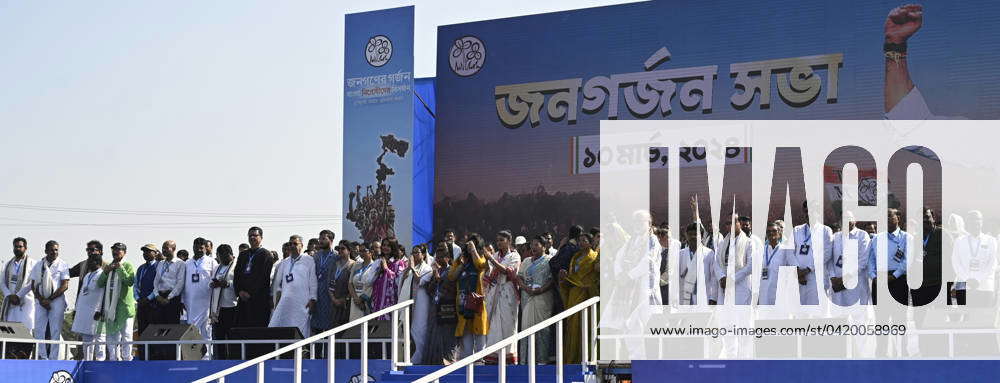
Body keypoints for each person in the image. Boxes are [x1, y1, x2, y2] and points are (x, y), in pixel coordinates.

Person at [868, 208, 913, 357]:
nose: (886, 219)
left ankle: (902, 352)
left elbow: (908, 260)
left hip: (898, 282)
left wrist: (894, 276)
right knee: (881, 321)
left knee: (900, 320)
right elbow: (871, 261)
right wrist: (874, 277)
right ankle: (881, 353)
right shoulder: (876, 239)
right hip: (879, 283)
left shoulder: (907, 238)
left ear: (898, 217)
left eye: (889, 215)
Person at [560, 233, 598, 364]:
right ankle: (571, 359)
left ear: (590, 242)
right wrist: (564, 278)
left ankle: (583, 358)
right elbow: (572, 277)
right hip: (573, 294)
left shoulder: (594, 257)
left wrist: (571, 279)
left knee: (583, 326)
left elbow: (591, 279)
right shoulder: (575, 257)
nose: (581, 243)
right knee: (572, 326)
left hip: (585, 296)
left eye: (584, 240)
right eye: (579, 241)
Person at [484, 230, 521, 364]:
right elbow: (488, 275)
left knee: (508, 326)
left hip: (508, 292)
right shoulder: (494, 255)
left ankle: (508, 358)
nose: (499, 242)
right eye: (498, 240)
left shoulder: (515, 256)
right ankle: (493, 357)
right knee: (494, 325)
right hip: (494, 292)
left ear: (509, 241)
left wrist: (491, 259)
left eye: (502, 240)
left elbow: (508, 272)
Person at [29, 240, 70, 360]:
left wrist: (50, 299)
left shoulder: (62, 264)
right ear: (46, 251)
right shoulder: (38, 265)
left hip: (56, 300)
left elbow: (65, 285)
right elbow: (33, 284)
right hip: (41, 301)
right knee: (39, 329)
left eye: (56, 249)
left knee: (55, 330)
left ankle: (53, 357)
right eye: (52, 250)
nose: (54, 252)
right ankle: (42, 356)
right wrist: (41, 299)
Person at [516, 236, 554, 364]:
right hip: (527, 297)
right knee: (526, 328)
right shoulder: (526, 261)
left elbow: (552, 280)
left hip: (542, 299)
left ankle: (542, 360)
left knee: (542, 329)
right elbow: (519, 277)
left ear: (544, 247)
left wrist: (540, 290)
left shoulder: (550, 261)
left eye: (537, 245)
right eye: (532, 245)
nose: (533, 247)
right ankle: (525, 361)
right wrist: (526, 288)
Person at [95, 242, 135, 361]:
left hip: (124, 308)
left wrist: (120, 268)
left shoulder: (127, 265)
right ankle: (113, 358)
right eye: (114, 250)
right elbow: (99, 283)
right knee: (111, 335)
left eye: (119, 250)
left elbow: (129, 281)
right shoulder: (109, 267)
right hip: (111, 308)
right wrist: (107, 271)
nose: (116, 252)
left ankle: (127, 358)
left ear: (124, 252)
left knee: (126, 335)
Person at [450, 234, 488, 359]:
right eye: (469, 244)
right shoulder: (460, 260)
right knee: (466, 339)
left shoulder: (481, 258)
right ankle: (466, 368)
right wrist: (461, 264)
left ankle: (480, 365)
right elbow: (451, 277)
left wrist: (473, 251)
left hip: (477, 305)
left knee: (479, 336)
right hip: (462, 304)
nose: (470, 246)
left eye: (474, 244)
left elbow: (480, 265)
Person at [269, 237, 317, 338]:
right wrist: (276, 299)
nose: (292, 246)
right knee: (276, 324)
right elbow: (279, 284)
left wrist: (313, 298)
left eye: (295, 244)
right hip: (286, 301)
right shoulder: (285, 262)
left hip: (302, 301)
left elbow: (313, 281)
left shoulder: (309, 260)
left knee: (300, 328)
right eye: (290, 244)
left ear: (302, 246)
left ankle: (302, 352)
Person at [181, 237, 218, 358]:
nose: (199, 249)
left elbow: (216, 281)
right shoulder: (187, 263)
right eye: (196, 247)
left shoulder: (211, 262)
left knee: (206, 330)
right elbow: (182, 283)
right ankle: (194, 356)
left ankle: (208, 357)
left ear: (205, 248)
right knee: (192, 330)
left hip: (206, 302)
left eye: (201, 247)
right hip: (190, 303)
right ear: (193, 247)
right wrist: (182, 300)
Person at [951, 210, 996, 308]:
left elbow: (992, 263)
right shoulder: (959, 241)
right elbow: (955, 262)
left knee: (984, 320)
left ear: (982, 222)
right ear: (967, 223)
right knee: (962, 320)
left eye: (977, 219)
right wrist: (967, 279)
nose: (975, 222)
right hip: (962, 285)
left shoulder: (991, 240)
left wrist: (978, 279)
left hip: (985, 286)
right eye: (971, 219)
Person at [423, 242, 458, 364]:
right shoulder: (436, 271)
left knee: (447, 335)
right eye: (437, 257)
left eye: (441, 257)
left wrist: (440, 279)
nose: (438, 259)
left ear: (448, 257)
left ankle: (449, 360)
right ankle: (435, 361)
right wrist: (435, 279)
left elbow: (452, 287)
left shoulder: (452, 270)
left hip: (448, 307)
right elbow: (429, 290)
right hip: (436, 306)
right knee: (435, 334)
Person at [792, 201, 834, 306]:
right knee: (800, 312)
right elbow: (790, 252)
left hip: (816, 277)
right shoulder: (797, 230)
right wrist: (797, 270)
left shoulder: (825, 230)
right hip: (798, 278)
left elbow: (827, 254)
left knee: (817, 312)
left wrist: (808, 269)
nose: (808, 214)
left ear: (818, 212)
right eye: (806, 211)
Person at [827, 212, 872, 307]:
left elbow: (863, 262)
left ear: (855, 220)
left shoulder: (862, 235)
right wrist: (832, 276)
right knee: (840, 317)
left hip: (856, 284)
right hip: (837, 285)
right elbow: (830, 259)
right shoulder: (835, 236)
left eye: (849, 218)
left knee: (858, 318)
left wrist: (845, 278)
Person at [398, 244, 433, 363]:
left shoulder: (427, 268)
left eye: (417, 252)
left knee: (419, 330)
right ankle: (409, 359)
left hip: (420, 305)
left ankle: (419, 360)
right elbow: (400, 281)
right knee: (407, 332)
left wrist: (413, 268)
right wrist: (408, 269)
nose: (414, 255)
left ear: (423, 255)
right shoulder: (409, 268)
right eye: (413, 252)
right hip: (409, 305)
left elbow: (421, 281)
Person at [234, 227, 273, 327]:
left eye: (255, 235)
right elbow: (237, 274)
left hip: (258, 299)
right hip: (243, 299)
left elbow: (264, 278)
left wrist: (250, 293)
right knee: (242, 328)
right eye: (250, 235)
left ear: (261, 237)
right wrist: (239, 291)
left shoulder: (266, 255)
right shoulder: (243, 254)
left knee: (257, 330)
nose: (252, 237)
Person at [72, 256, 105, 361]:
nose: (89, 264)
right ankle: (87, 360)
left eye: (91, 261)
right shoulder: (87, 275)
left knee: (99, 337)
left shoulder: (103, 275)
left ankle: (100, 360)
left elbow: (104, 295)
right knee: (86, 338)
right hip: (84, 311)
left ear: (98, 262)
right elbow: (82, 293)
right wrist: (76, 309)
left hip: (96, 311)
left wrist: (101, 310)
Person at [759, 222, 798, 305]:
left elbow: (795, 268)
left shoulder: (786, 250)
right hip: (763, 292)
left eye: (774, 231)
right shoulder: (761, 250)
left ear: (779, 233)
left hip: (780, 293)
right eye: (768, 231)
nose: (771, 233)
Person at [1, 237, 36, 333]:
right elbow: (2, 282)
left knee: (25, 330)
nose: (17, 248)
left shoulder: (33, 263)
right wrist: (9, 295)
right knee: (10, 330)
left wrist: (19, 295)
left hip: (25, 302)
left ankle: (26, 348)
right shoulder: (7, 264)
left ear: (25, 248)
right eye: (15, 246)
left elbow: (32, 283)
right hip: (11, 302)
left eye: (20, 246)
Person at [209, 245, 238, 359]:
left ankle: (232, 359)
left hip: (232, 305)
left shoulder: (236, 265)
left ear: (230, 254)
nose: (220, 258)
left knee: (231, 335)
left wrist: (227, 284)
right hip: (218, 308)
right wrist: (213, 284)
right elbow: (211, 281)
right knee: (219, 336)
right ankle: (220, 359)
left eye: (222, 256)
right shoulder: (217, 267)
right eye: (219, 255)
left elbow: (239, 283)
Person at [550, 225, 583, 313]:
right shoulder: (574, 249)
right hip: (569, 285)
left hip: (562, 285)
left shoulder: (566, 248)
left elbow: (552, 262)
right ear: (579, 236)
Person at [678, 223, 713, 305]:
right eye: (690, 234)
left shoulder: (709, 253)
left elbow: (713, 278)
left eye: (695, 234)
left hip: (703, 295)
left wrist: (713, 297)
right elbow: (676, 276)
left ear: (701, 236)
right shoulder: (680, 254)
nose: (693, 237)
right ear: (686, 236)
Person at [311, 231, 337, 341]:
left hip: (330, 296)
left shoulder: (336, 256)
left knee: (329, 329)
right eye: (319, 238)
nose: (320, 241)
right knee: (316, 328)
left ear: (331, 240)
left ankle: (328, 356)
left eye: (323, 239)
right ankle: (315, 356)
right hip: (317, 295)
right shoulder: (316, 256)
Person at [371, 239, 406, 320]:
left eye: (388, 245)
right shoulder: (379, 261)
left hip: (390, 302)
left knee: (388, 329)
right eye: (384, 245)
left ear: (393, 247)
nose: (385, 247)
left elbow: (398, 282)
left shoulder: (399, 263)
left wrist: (386, 269)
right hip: (378, 300)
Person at [152, 240, 184, 324]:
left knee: (172, 326)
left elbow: (180, 283)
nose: (163, 250)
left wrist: (168, 297)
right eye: (163, 248)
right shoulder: (161, 263)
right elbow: (155, 282)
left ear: (173, 249)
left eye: (166, 248)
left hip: (172, 299)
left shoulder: (180, 263)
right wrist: (157, 295)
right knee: (159, 326)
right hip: (160, 298)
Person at [327, 243, 355, 332]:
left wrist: (345, 298)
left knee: (344, 330)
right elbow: (329, 283)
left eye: (343, 248)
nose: (340, 251)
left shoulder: (354, 264)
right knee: (332, 329)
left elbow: (353, 284)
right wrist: (333, 299)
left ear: (349, 250)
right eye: (339, 249)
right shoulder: (335, 264)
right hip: (333, 302)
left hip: (346, 303)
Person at [134, 244, 160, 338]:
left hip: (154, 304)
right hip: (141, 304)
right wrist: (137, 298)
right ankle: (143, 352)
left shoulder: (159, 266)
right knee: (142, 331)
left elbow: (158, 286)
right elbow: (136, 285)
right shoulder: (141, 268)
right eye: (144, 251)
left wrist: (149, 298)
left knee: (153, 332)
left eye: (148, 251)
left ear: (155, 253)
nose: (145, 253)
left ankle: (154, 353)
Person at [348, 243, 376, 321]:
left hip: (366, 301)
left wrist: (361, 300)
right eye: (360, 251)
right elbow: (350, 283)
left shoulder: (375, 266)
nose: (361, 253)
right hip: (355, 300)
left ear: (371, 252)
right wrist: (356, 299)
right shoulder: (356, 265)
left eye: (364, 251)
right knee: (354, 326)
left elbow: (373, 285)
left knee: (365, 327)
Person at [656, 224, 680, 305]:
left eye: (670, 237)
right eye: (667, 238)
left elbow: (671, 268)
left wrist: (659, 281)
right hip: (657, 282)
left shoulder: (676, 245)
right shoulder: (656, 247)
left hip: (668, 282)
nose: (670, 240)